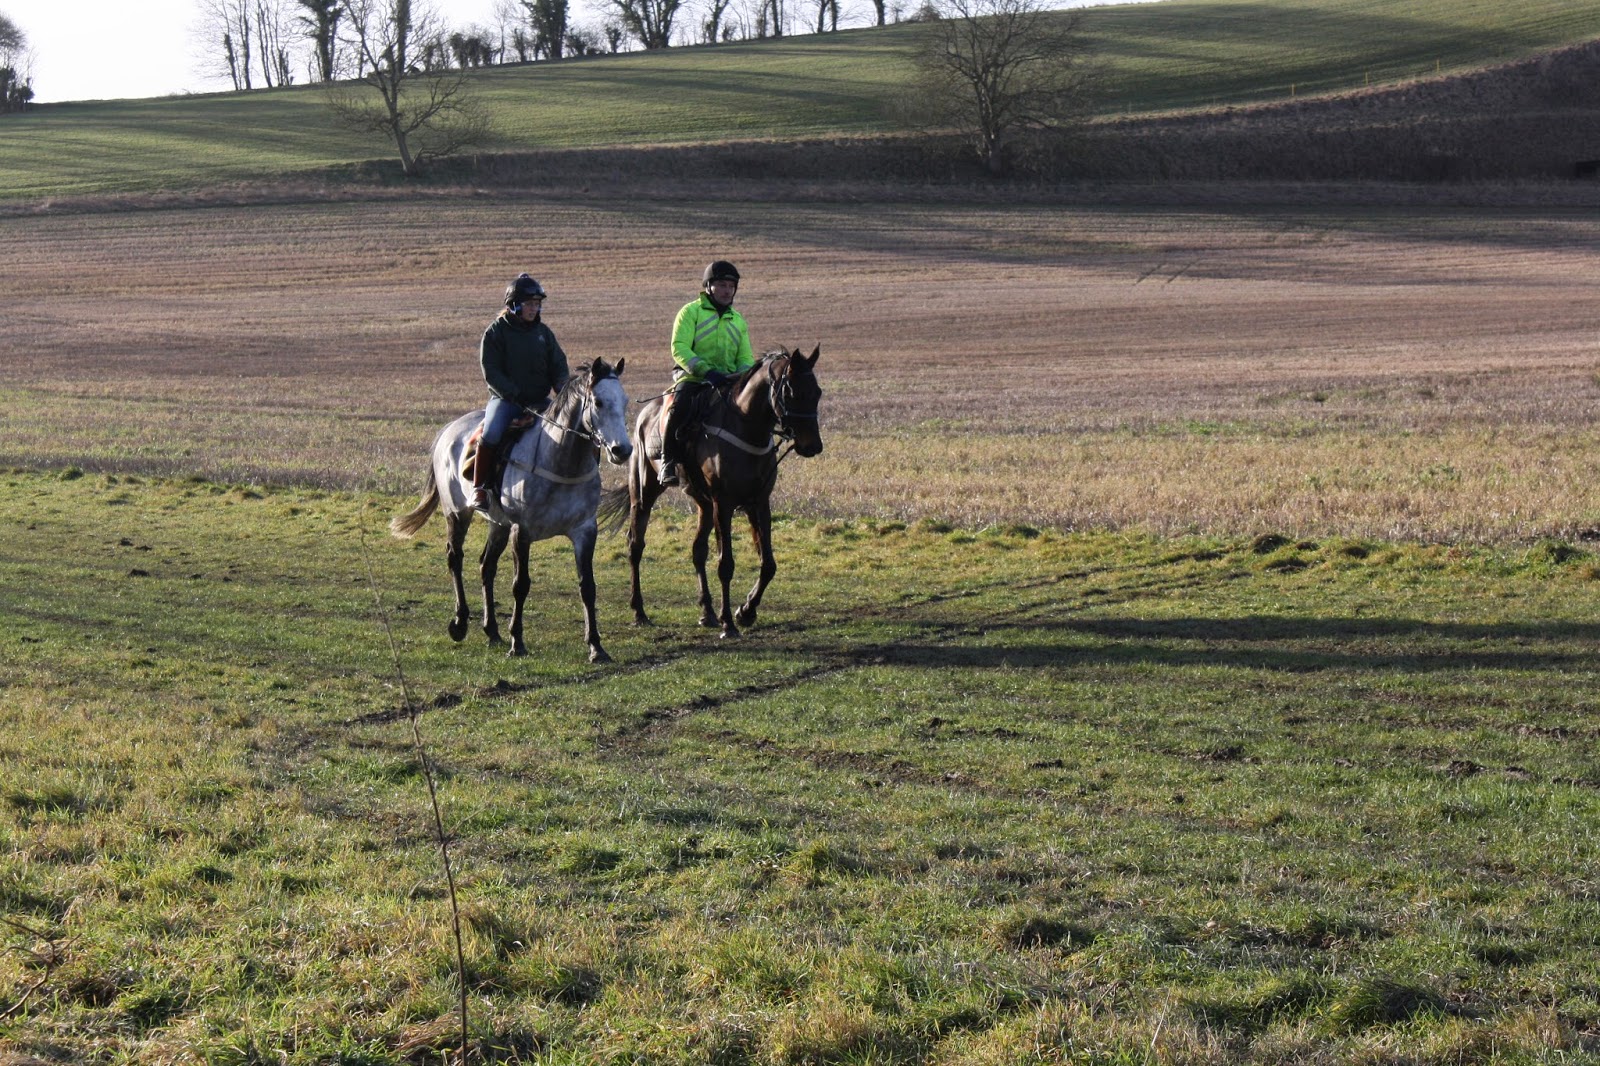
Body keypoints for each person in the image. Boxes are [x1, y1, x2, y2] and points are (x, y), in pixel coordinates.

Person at [473, 272, 570, 509]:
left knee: (567, 430)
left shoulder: (543, 333)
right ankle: (480, 488)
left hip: (540, 400)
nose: (534, 309)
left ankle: (569, 486)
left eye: (537, 304)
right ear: (514, 304)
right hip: (506, 401)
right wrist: (514, 395)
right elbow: (491, 371)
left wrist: (562, 389)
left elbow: (558, 364)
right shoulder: (495, 333)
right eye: (529, 304)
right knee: (491, 434)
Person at [658, 260, 757, 486]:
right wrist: (706, 371)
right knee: (679, 406)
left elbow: (745, 358)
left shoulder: (738, 321)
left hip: (728, 382)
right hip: (693, 378)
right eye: (722, 285)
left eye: (731, 287)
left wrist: (742, 377)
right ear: (708, 287)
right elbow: (679, 347)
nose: (727, 291)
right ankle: (668, 461)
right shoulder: (690, 312)